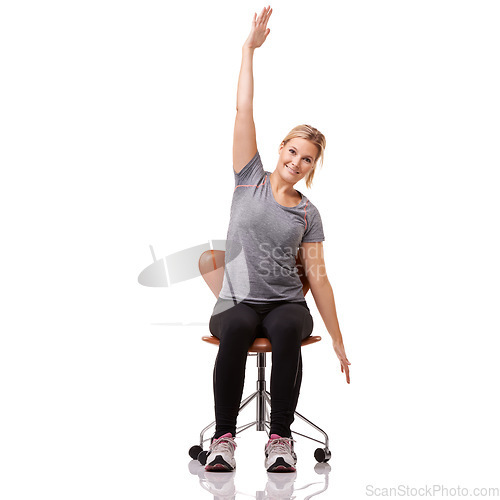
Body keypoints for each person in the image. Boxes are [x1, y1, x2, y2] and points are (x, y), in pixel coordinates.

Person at [200, 5, 350, 473]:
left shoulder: (309, 213)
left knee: (286, 327)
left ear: (312, 166)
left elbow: (319, 281)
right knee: (241, 326)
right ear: (281, 147)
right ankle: (223, 440)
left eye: (307, 159)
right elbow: (244, 109)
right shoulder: (249, 178)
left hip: (287, 305)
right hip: (238, 304)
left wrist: (340, 341)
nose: (296, 162)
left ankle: (280, 441)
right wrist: (248, 50)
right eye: (292, 150)